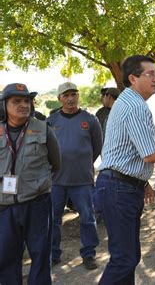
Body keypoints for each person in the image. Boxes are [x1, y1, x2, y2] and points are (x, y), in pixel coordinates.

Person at [96, 55, 155, 284]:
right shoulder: (136, 106)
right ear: (132, 78)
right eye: (150, 74)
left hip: (121, 186)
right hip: (119, 189)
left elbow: (126, 152)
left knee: (127, 257)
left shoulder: (128, 102)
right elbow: (150, 153)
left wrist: (142, 182)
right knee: (124, 259)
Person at [0, 83, 61, 285]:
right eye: (16, 101)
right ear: (4, 105)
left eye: (27, 101)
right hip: (5, 207)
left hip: (38, 203)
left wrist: (37, 184)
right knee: (7, 257)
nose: (23, 105)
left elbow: (56, 162)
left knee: (41, 255)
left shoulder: (43, 129)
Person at [47, 82, 103, 270]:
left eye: (73, 94)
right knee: (53, 219)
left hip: (82, 180)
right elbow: (44, 149)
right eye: (66, 95)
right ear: (59, 98)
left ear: (78, 96)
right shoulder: (51, 121)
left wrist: (82, 162)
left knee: (87, 217)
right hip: (56, 180)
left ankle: (89, 254)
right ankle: (53, 254)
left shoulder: (90, 119)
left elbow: (97, 147)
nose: (70, 98)